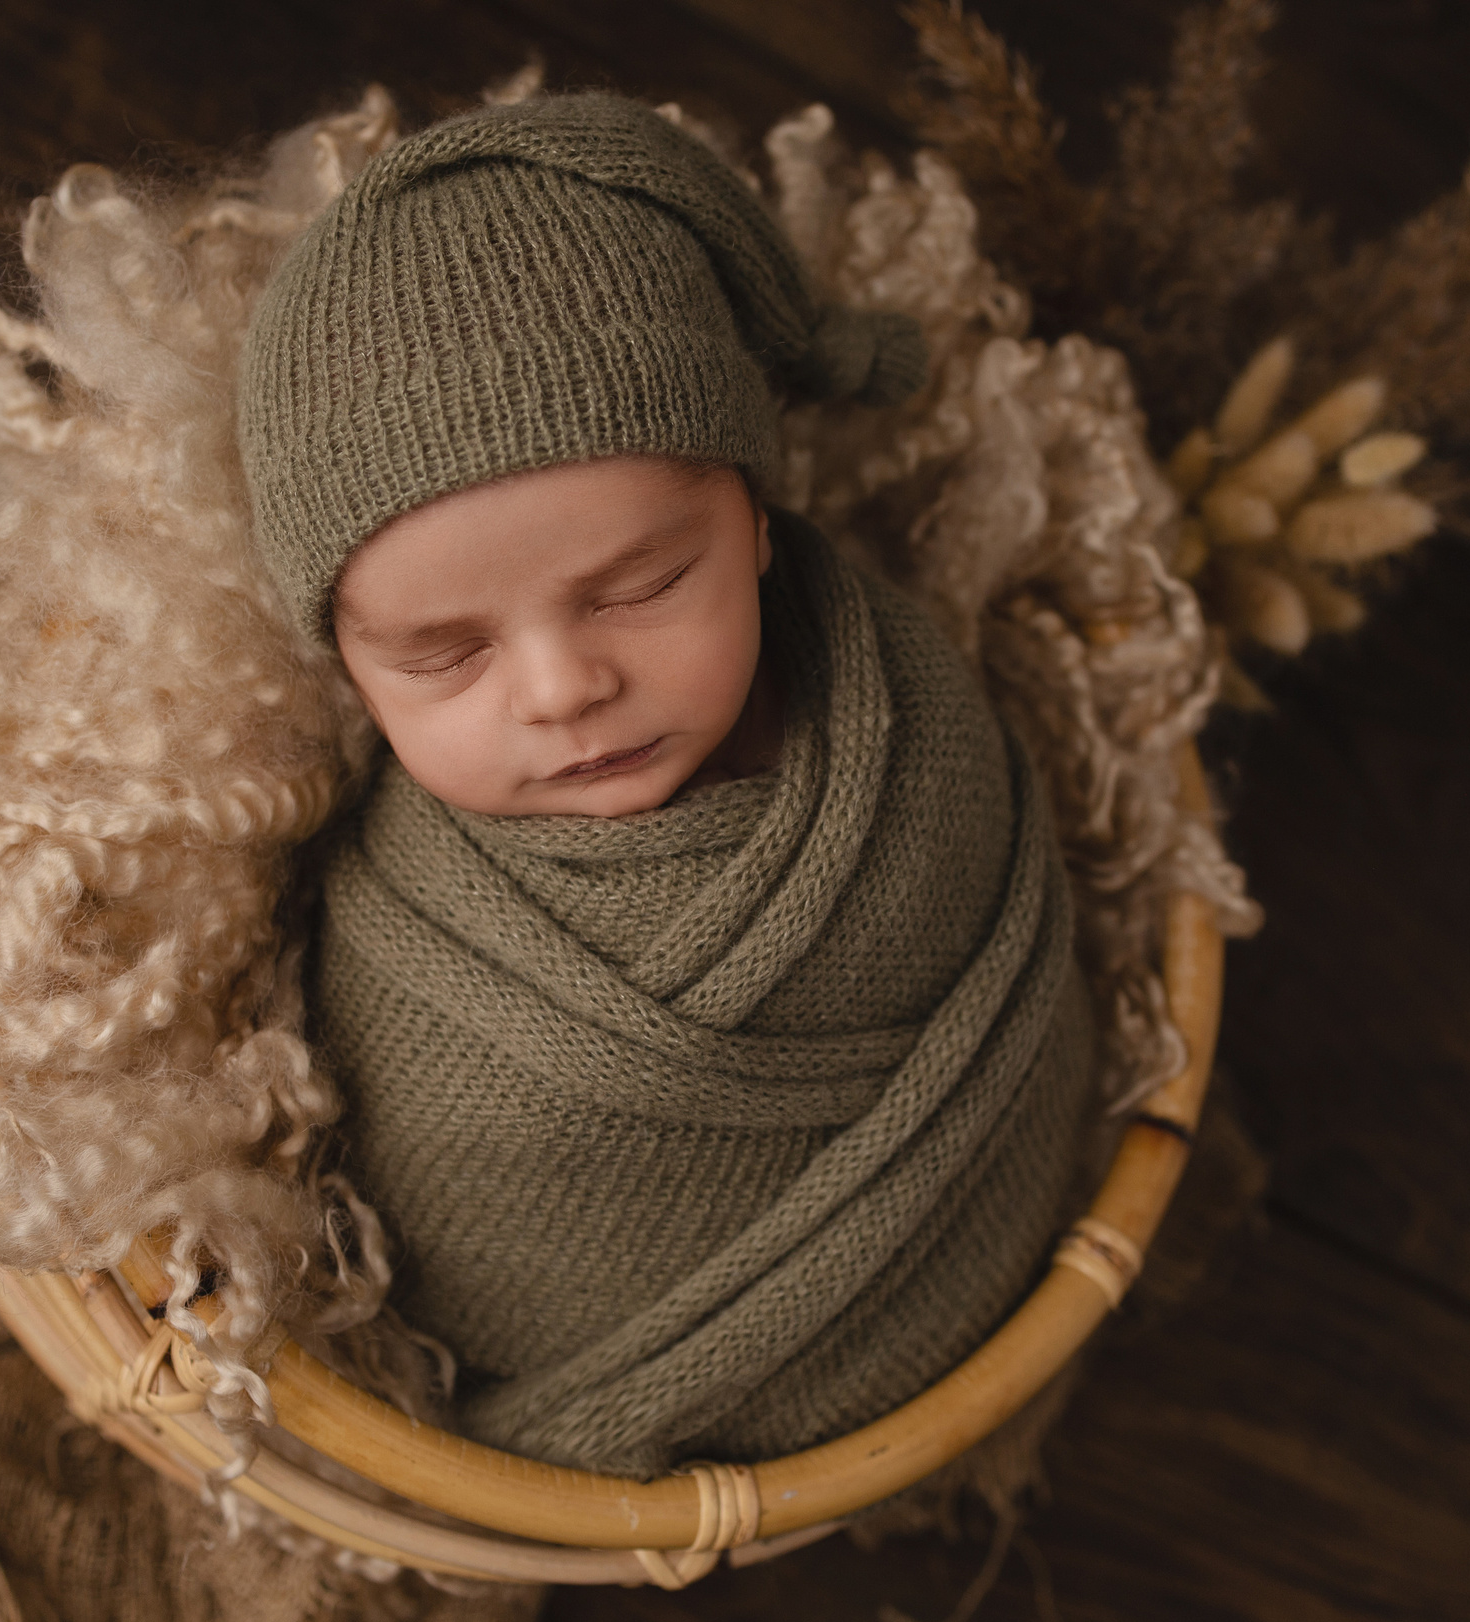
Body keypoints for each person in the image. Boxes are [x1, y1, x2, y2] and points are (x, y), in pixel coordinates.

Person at [237, 91, 1095, 1479]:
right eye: (441, 656)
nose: (562, 687)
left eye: (641, 586)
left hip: (964, 1322)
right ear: (342, 660)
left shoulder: (909, 735)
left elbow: (1020, 973)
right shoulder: (387, 911)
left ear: (757, 516)